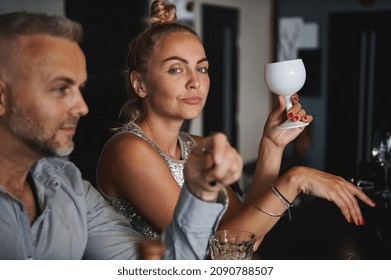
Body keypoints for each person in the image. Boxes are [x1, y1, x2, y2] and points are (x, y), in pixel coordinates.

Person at [97, 0, 376, 247]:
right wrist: (294, 180)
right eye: (176, 69)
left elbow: (243, 234)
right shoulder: (128, 150)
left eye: (202, 68)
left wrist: (271, 146)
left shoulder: (200, 146)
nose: (195, 82)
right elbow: (213, 253)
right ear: (140, 83)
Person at [0, 11, 243, 260]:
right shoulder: (126, 150)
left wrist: (201, 191)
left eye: (79, 88)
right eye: (61, 88)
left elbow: (168, 263)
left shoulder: (69, 187)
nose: (82, 107)